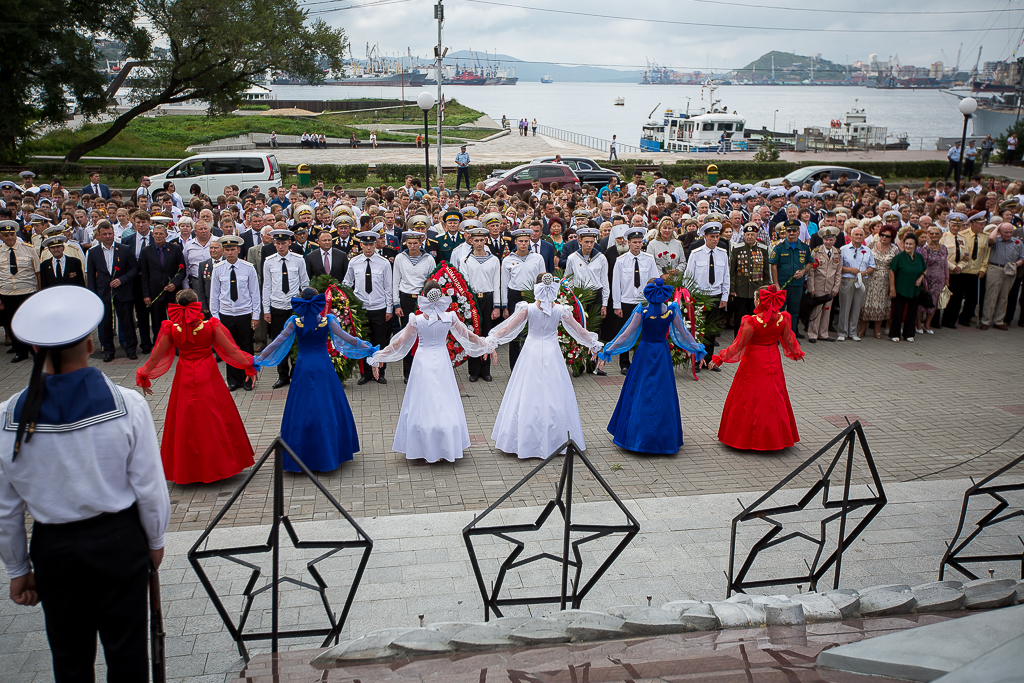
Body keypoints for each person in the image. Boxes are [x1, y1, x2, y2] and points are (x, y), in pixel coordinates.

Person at [0, 286, 170, 683]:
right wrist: (155, 541)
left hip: (54, 548)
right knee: (128, 658)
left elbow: (7, 508)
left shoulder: (8, 415)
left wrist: (17, 567)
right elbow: (149, 486)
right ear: (91, 344)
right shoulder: (128, 404)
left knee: (70, 660)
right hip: (118, 542)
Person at [367, 281, 496, 463]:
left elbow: (398, 343)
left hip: (423, 360)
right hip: (442, 359)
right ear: (440, 295)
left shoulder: (416, 319)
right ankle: (446, 443)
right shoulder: (449, 316)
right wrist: (487, 344)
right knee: (443, 398)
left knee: (424, 401)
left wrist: (379, 356)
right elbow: (469, 336)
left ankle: (423, 445)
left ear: (424, 296)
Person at [136, 289, 256, 484]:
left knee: (185, 420)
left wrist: (144, 373)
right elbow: (231, 350)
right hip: (208, 374)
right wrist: (248, 365)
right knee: (215, 418)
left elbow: (155, 355)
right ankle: (220, 465)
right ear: (196, 304)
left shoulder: (171, 329)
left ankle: (187, 469)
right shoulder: (210, 326)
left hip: (184, 375)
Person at [254, 288, 376, 471]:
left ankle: (300, 454)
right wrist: (370, 349)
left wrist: (257, 359)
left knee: (302, 408)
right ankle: (328, 454)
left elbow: (277, 342)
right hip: (323, 367)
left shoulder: (294, 323)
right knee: (326, 406)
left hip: (302, 367)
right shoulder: (328, 321)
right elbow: (348, 339)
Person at [486, 274, 603, 458]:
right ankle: (556, 438)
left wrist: (491, 341)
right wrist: (593, 344)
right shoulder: (561, 310)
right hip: (551, 352)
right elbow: (579, 330)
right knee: (554, 393)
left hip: (531, 351)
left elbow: (507, 329)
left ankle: (525, 440)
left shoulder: (528, 308)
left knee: (527, 393)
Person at [596, 278, 706, 454]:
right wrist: (698, 350)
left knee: (641, 391)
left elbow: (625, 335)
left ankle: (637, 437)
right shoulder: (671, 311)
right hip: (662, 353)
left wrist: (607, 350)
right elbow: (684, 335)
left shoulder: (642, 311)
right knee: (663, 393)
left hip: (645, 354)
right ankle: (664, 439)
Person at [710, 285, 804, 450]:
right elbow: (789, 340)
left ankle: (746, 438)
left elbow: (737, 345)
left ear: (760, 301)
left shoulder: (752, 321)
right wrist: (797, 353)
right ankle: (774, 438)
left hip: (753, 362)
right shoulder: (783, 318)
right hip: (773, 360)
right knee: (773, 397)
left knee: (749, 398)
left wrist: (720, 358)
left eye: (755, 299)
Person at [209, 235, 260, 391]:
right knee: (229, 348)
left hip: (244, 313)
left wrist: (256, 315)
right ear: (223, 251)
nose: (230, 253)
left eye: (233, 250)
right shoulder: (218, 269)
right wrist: (215, 318)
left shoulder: (248, 268)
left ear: (238, 250)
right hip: (226, 314)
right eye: (227, 250)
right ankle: (233, 380)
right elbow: (214, 295)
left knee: (245, 347)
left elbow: (255, 293)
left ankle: (247, 378)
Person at [344, 230, 393, 385]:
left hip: (379, 307)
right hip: (361, 308)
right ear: (361, 245)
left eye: (371, 244)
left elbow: (388, 288)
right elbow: (347, 283)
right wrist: (347, 303)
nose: (368, 248)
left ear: (375, 245)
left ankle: (380, 372)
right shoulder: (354, 262)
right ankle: (365, 373)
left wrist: (389, 308)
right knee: (363, 342)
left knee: (380, 342)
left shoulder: (384, 263)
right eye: (365, 245)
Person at [262, 229, 309, 388]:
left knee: (297, 342)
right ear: (274, 243)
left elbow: (305, 283)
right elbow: (266, 286)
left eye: (283, 243)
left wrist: (305, 306)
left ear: (290, 243)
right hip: (277, 307)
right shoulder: (269, 261)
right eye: (278, 243)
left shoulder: (298, 260)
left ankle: (295, 373)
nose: (280, 246)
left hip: (294, 307)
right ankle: (282, 375)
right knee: (279, 342)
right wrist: (266, 309)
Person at [610, 226, 659, 374]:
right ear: (628, 242)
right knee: (626, 333)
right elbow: (616, 284)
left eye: (640, 242)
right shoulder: (621, 261)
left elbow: (654, 281)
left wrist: (653, 302)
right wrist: (617, 305)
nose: (638, 245)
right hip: (626, 302)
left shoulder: (649, 259)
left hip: (643, 302)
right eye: (635, 242)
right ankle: (624, 363)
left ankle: (641, 361)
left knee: (644, 333)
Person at [86, 220, 138, 362]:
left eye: (110, 234)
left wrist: (122, 279)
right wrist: (93, 295)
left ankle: (131, 349)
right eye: (104, 234)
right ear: (98, 235)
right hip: (103, 293)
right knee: (105, 324)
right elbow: (90, 275)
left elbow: (134, 269)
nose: (108, 236)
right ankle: (108, 350)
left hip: (122, 291)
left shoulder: (124, 249)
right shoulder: (93, 252)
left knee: (127, 322)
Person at [457, 225, 502, 382]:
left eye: (482, 240)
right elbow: (465, 283)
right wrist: (467, 304)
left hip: (488, 298)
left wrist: (497, 306)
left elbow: (497, 283)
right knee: (474, 334)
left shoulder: (494, 260)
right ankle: (474, 371)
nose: (479, 243)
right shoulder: (465, 260)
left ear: (486, 240)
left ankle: (486, 370)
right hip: (473, 299)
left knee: (487, 334)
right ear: (471, 241)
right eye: (475, 240)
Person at [685, 222, 730, 365]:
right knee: (698, 329)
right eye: (712, 237)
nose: (715, 240)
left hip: (715, 295)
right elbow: (688, 277)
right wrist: (689, 298)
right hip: (699, 296)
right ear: (705, 236)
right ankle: (697, 360)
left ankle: (709, 359)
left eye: (717, 236)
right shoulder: (696, 253)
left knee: (711, 329)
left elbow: (726, 277)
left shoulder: (722, 254)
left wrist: (724, 297)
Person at [500, 228, 545, 370]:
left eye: (526, 241)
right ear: (515, 242)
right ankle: (515, 367)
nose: (524, 244)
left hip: (532, 296)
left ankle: (532, 366)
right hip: (514, 297)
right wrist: (504, 306)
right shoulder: (508, 260)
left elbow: (542, 281)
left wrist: (542, 301)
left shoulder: (537, 258)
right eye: (521, 241)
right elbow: (504, 284)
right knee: (515, 333)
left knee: (532, 332)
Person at [0, 220, 40, 363]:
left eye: (12, 234)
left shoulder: (28, 249)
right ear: (1, 236)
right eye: (6, 235)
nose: (10, 237)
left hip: (27, 291)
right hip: (7, 293)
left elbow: (38, 272)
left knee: (30, 322)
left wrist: (39, 293)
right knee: (12, 323)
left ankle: (34, 349)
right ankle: (20, 351)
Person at [139, 222, 187, 331]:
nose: (158, 236)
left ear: (166, 235)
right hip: (155, 293)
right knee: (158, 323)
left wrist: (174, 284)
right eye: (156, 234)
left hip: (173, 293)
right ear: (152, 235)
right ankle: (160, 344)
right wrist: (146, 295)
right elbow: (144, 274)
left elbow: (182, 270)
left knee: (176, 322)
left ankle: (176, 345)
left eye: (161, 234)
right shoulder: (146, 251)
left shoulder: (175, 249)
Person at [769, 218, 812, 337]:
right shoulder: (779, 247)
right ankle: (777, 336)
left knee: (794, 311)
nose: (791, 233)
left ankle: (790, 337)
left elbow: (810, 262)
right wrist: (776, 284)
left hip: (797, 285)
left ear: (799, 231)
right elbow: (774, 266)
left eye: (794, 230)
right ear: (786, 232)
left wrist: (803, 271)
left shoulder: (804, 247)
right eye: (789, 231)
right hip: (782, 284)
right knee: (780, 311)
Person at [981, 222, 1024, 330]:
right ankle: (986, 320)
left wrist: (1016, 264)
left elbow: (1022, 258)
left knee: (1004, 297)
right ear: (1000, 232)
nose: (1009, 234)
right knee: (991, 296)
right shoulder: (996, 240)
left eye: (1010, 232)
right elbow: (991, 238)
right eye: (1006, 232)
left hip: (1010, 270)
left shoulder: (1017, 243)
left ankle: (999, 320)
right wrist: (999, 226)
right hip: (996, 268)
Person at [859, 224, 899, 339]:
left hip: (885, 280)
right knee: (866, 304)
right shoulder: (872, 244)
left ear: (892, 238)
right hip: (870, 277)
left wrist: (892, 286)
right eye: (882, 235)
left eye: (887, 236)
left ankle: (877, 331)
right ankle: (862, 330)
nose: (884, 238)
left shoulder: (894, 249)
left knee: (881, 305)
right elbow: (864, 258)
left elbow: (894, 267)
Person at [729, 224, 770, 334]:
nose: (750, 237)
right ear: (744, 235)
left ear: (757, 235)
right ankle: (738, 339)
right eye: (747, 234)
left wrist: (766, 289)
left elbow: (766, 271)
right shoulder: (737, 248)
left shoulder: (763, 249)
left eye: (752, 234)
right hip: (740, 289)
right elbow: (732, 270)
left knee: (756, 317)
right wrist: (732, 288)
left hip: (757, 289)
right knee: (739, 317)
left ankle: (754, 339)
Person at [805, 226, 843, 343]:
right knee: (816, 311)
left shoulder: (837, 253)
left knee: (827, 310)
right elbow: (811, 272)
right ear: (822, 240)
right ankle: (813, 333)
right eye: (826, 239)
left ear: (835, 240)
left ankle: (823, 333)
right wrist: (811, 287)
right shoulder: (816, 252)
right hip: (818, 286)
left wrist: (836, 287)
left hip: (830, 286)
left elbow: (838, 272)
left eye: (831, 239)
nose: (828, 242)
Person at [888, 232, 927, 342]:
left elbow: (924, 269)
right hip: (901, 288)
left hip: (915, 289)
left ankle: (909, 334)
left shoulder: (919, 257)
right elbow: (892, 272)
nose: (908, 246)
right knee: (898, 312)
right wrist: (892, 288)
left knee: (912, 312)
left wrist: (920, 279)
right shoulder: (899, 257)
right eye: (906, 244)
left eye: (911, 244)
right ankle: (895, 334)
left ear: (915, 245)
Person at [918, 225, 948, 334]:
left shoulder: (943, 248)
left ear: (940, 235)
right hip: (927, 279)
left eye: (937, 233)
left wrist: (946, 278)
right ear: (928, 235)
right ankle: (918, 324)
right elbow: (922, 266)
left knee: (934, 303)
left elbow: (945, 264)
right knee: (922, 303)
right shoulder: (925, 249)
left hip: (939, 280)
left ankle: (927, 324)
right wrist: (924, 282)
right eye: (932, 234)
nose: (934, 235)